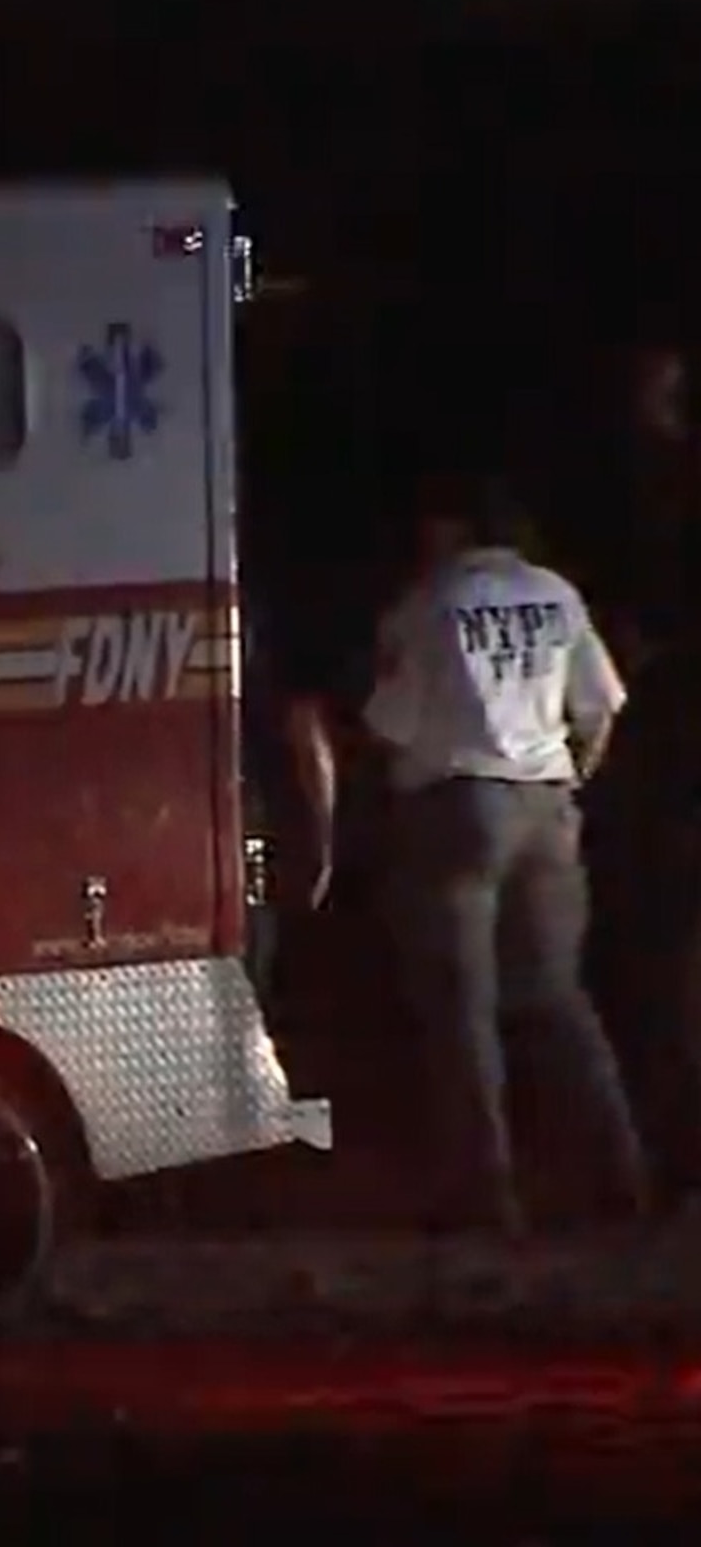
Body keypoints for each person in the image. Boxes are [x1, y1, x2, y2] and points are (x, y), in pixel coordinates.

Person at [322, 473, 653, 1236]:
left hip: (457, 808)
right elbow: (601, 710)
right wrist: (570, 777)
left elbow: (391, 726)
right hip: (547, 805)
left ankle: (488, 1193)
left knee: (462, 1010)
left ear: (451, 531)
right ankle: (621, 1172)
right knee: (558, 995)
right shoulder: (557, 596)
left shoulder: (429, 604)